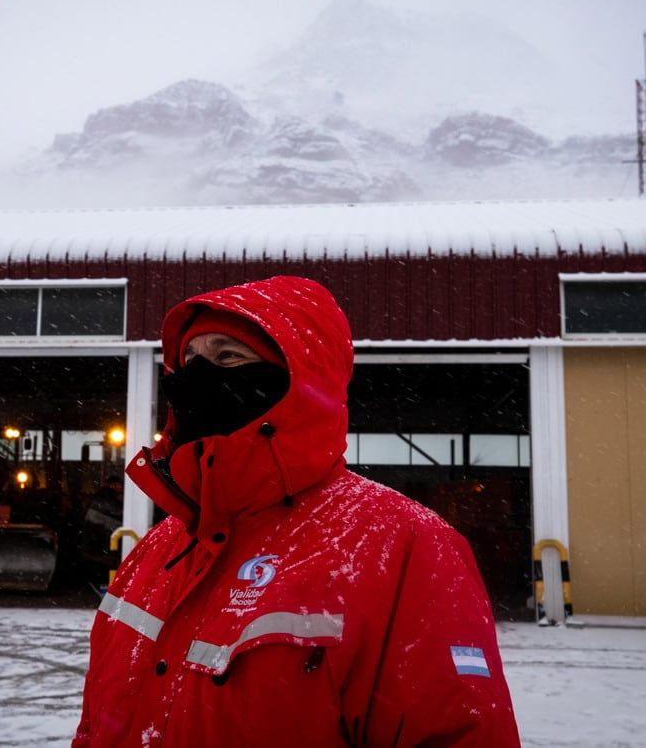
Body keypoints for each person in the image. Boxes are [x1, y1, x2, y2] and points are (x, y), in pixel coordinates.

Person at [74, 276, 520, 747]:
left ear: (299, 381)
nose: (197, 379)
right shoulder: (161, 547)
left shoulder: (403, 545)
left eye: (228, 357)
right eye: (189, 360)